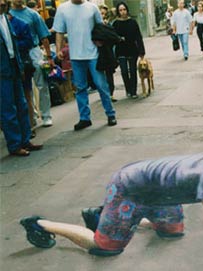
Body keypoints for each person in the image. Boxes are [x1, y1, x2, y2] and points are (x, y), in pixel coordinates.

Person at [20, 136, 203, 256]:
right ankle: (42, 223)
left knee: (173, 231)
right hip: (129, 189)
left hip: (160, 196)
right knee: (106, 248)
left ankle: (102, 215)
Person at [53, 0, 117, 131]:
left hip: (93, 54)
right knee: (80, 88)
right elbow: (59, 31)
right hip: (75, 56)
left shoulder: (92, 7)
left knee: (101, 85)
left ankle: (110, 114)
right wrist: (58, 49)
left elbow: (100, 27)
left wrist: (101, 42)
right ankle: (84, 118)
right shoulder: (63, 9)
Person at [1, 0, 42, 156]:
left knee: (22, 105)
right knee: (8, 109)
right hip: (2, 70)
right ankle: (15, 144)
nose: (2, 3)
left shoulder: (7, 19)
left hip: (14, 66)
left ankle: (25, 140)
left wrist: (20, 66)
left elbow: (15, 46)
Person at [10, 0, 54, 128]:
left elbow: (43, 36)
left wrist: (49, 56)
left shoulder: (33, 14)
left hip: (34, 50)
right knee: (25, 88)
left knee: (41, 84)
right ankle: (31, 115)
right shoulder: (8, 15)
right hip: (17, 52)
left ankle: (46, 115)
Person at [113, 1, 145, 99]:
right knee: (124, 71)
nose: (123, 12)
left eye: (124, 10)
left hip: (132, 49)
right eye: (120, 10)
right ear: (118, 11)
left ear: (127, 10)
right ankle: (128, 89)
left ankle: (133, 91)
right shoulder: (116, 23)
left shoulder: (133, 22)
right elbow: (112, 37)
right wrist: (118, 38)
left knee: (132, 70)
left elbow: (138, 37)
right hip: (121, 50)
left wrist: (141, 51)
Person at [99, 5, 116, 102]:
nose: (103, 16)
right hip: (98, 53)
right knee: (100, 76)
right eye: (101, 13)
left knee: (109, 74)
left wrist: (106, 27)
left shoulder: (108, 25)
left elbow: (113, 37)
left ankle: (111, 93)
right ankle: (104, 93)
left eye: (104, 14)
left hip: (108, 52)